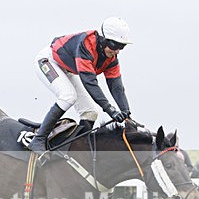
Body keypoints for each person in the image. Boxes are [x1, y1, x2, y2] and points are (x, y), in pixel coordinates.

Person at [28, 17, 133, 153]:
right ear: (103, 39)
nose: (117, 51)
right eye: (114, 45)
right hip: (48, 62)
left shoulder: (111, 58)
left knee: (90, 113)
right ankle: (38, 139)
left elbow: (116, 87)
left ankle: (77, 151)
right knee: (68, 96)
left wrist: (126, 113)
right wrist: (110, 110)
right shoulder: (86, 45)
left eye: (121, 46)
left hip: (67, 69)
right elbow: (90, 82)